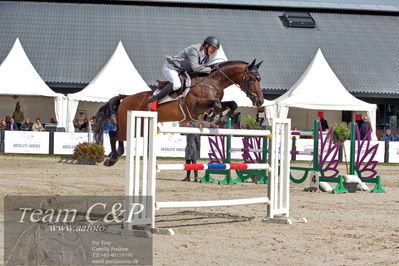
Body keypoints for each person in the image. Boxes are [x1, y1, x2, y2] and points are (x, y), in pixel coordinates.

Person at [147, 36, 221, 105]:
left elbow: (204, 69)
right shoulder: (194, 50)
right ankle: (155, 98)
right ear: (206, 45)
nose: (213, 51)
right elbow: (195, 68)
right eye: (213, 48)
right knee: (177, 85)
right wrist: (211, 68)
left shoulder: (207, 57)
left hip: (181, 71)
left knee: (190, 85)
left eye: (215, 50)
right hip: (171, 67)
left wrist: (211, 69)